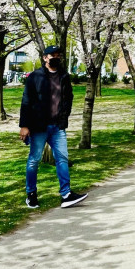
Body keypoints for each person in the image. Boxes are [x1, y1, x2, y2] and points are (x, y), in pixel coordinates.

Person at [19, 45, 88, 209]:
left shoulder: (64, 76)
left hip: (57, 126)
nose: (56, 58)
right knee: (34, 160)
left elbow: (68, 98)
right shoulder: (35, 77)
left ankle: (66, 194)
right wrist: (24, 126)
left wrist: (64, 116)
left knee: (62, 159)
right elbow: (26, 101)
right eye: (52, 55)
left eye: (58, 55)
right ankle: (31, 194)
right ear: (45, 58)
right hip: (38, 127)